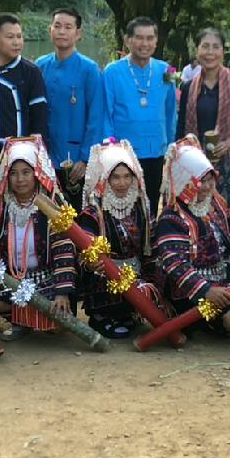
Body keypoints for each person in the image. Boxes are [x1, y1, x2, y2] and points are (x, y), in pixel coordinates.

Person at [0, 135, 77, 341]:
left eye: (26, 172)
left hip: (45, 279)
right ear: (6, 175)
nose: (20, 179)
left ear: (36, 172)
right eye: (14, 173)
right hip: (12, 279)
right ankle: (19, 321)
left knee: (58, 326)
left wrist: (62, 291)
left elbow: (63, 247)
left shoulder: (52, 204)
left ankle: (35, 317)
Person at [153, 135, 230, 335]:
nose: (206, 186)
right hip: (188, 290)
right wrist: (206, 291)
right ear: (185, 182)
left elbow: (224, 223)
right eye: (200, 181)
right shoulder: (171, 218)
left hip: (221, 275)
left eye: (209, 179)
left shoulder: (213, 202)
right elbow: (176, 265)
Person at [76, 138, 164, 337]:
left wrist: (153, 280)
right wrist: (92, 262)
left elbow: (150, 247)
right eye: (115, 177)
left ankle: (129, 312)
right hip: (105, 279)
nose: (122, 183)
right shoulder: (94, 211)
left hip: (136, 276)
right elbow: (84, 246)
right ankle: (101, 316)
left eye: (127, 176)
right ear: (104, 179)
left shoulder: (141, 207)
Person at [0, 13, 49, 212]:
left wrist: (34, 154)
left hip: (20, 160)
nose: (16, 42)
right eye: (10, 37)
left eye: (19, 36)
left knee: (21, 213)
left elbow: (39, 120)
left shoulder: (31, 71)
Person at [103, 17, 178, 215]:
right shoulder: (112, 72)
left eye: (150, 38)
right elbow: (105, 114)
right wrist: (110, 151)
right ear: (128, 40)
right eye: (139, 38)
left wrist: (170, 147)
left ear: (156, 41)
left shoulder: (165, 70)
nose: (144, 43)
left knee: (150, 207)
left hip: (156, 152)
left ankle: (149, 235)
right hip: (124, 155)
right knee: (122, 210)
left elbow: (171, 112)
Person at [177, 28, 230, 208]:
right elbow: (181, 129)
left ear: (223, 52)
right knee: (195, 212)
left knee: (227, 212)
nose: (210, 52)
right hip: (194, 162)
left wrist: (228, 143)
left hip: (226, 162)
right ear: (197, 51)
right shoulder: (188, 87)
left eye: (215, 47)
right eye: (205, 46)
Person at [36, 7, 105, 202]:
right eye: (57, 26)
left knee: (75, 213)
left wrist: (85, 158)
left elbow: (96, 117)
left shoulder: (89, 69)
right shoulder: (40, 66)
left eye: (68, 27)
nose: (62, 32)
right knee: (46, 211)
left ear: (78, 33)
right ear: (50, 30)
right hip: (44, 156)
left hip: (74, 159)